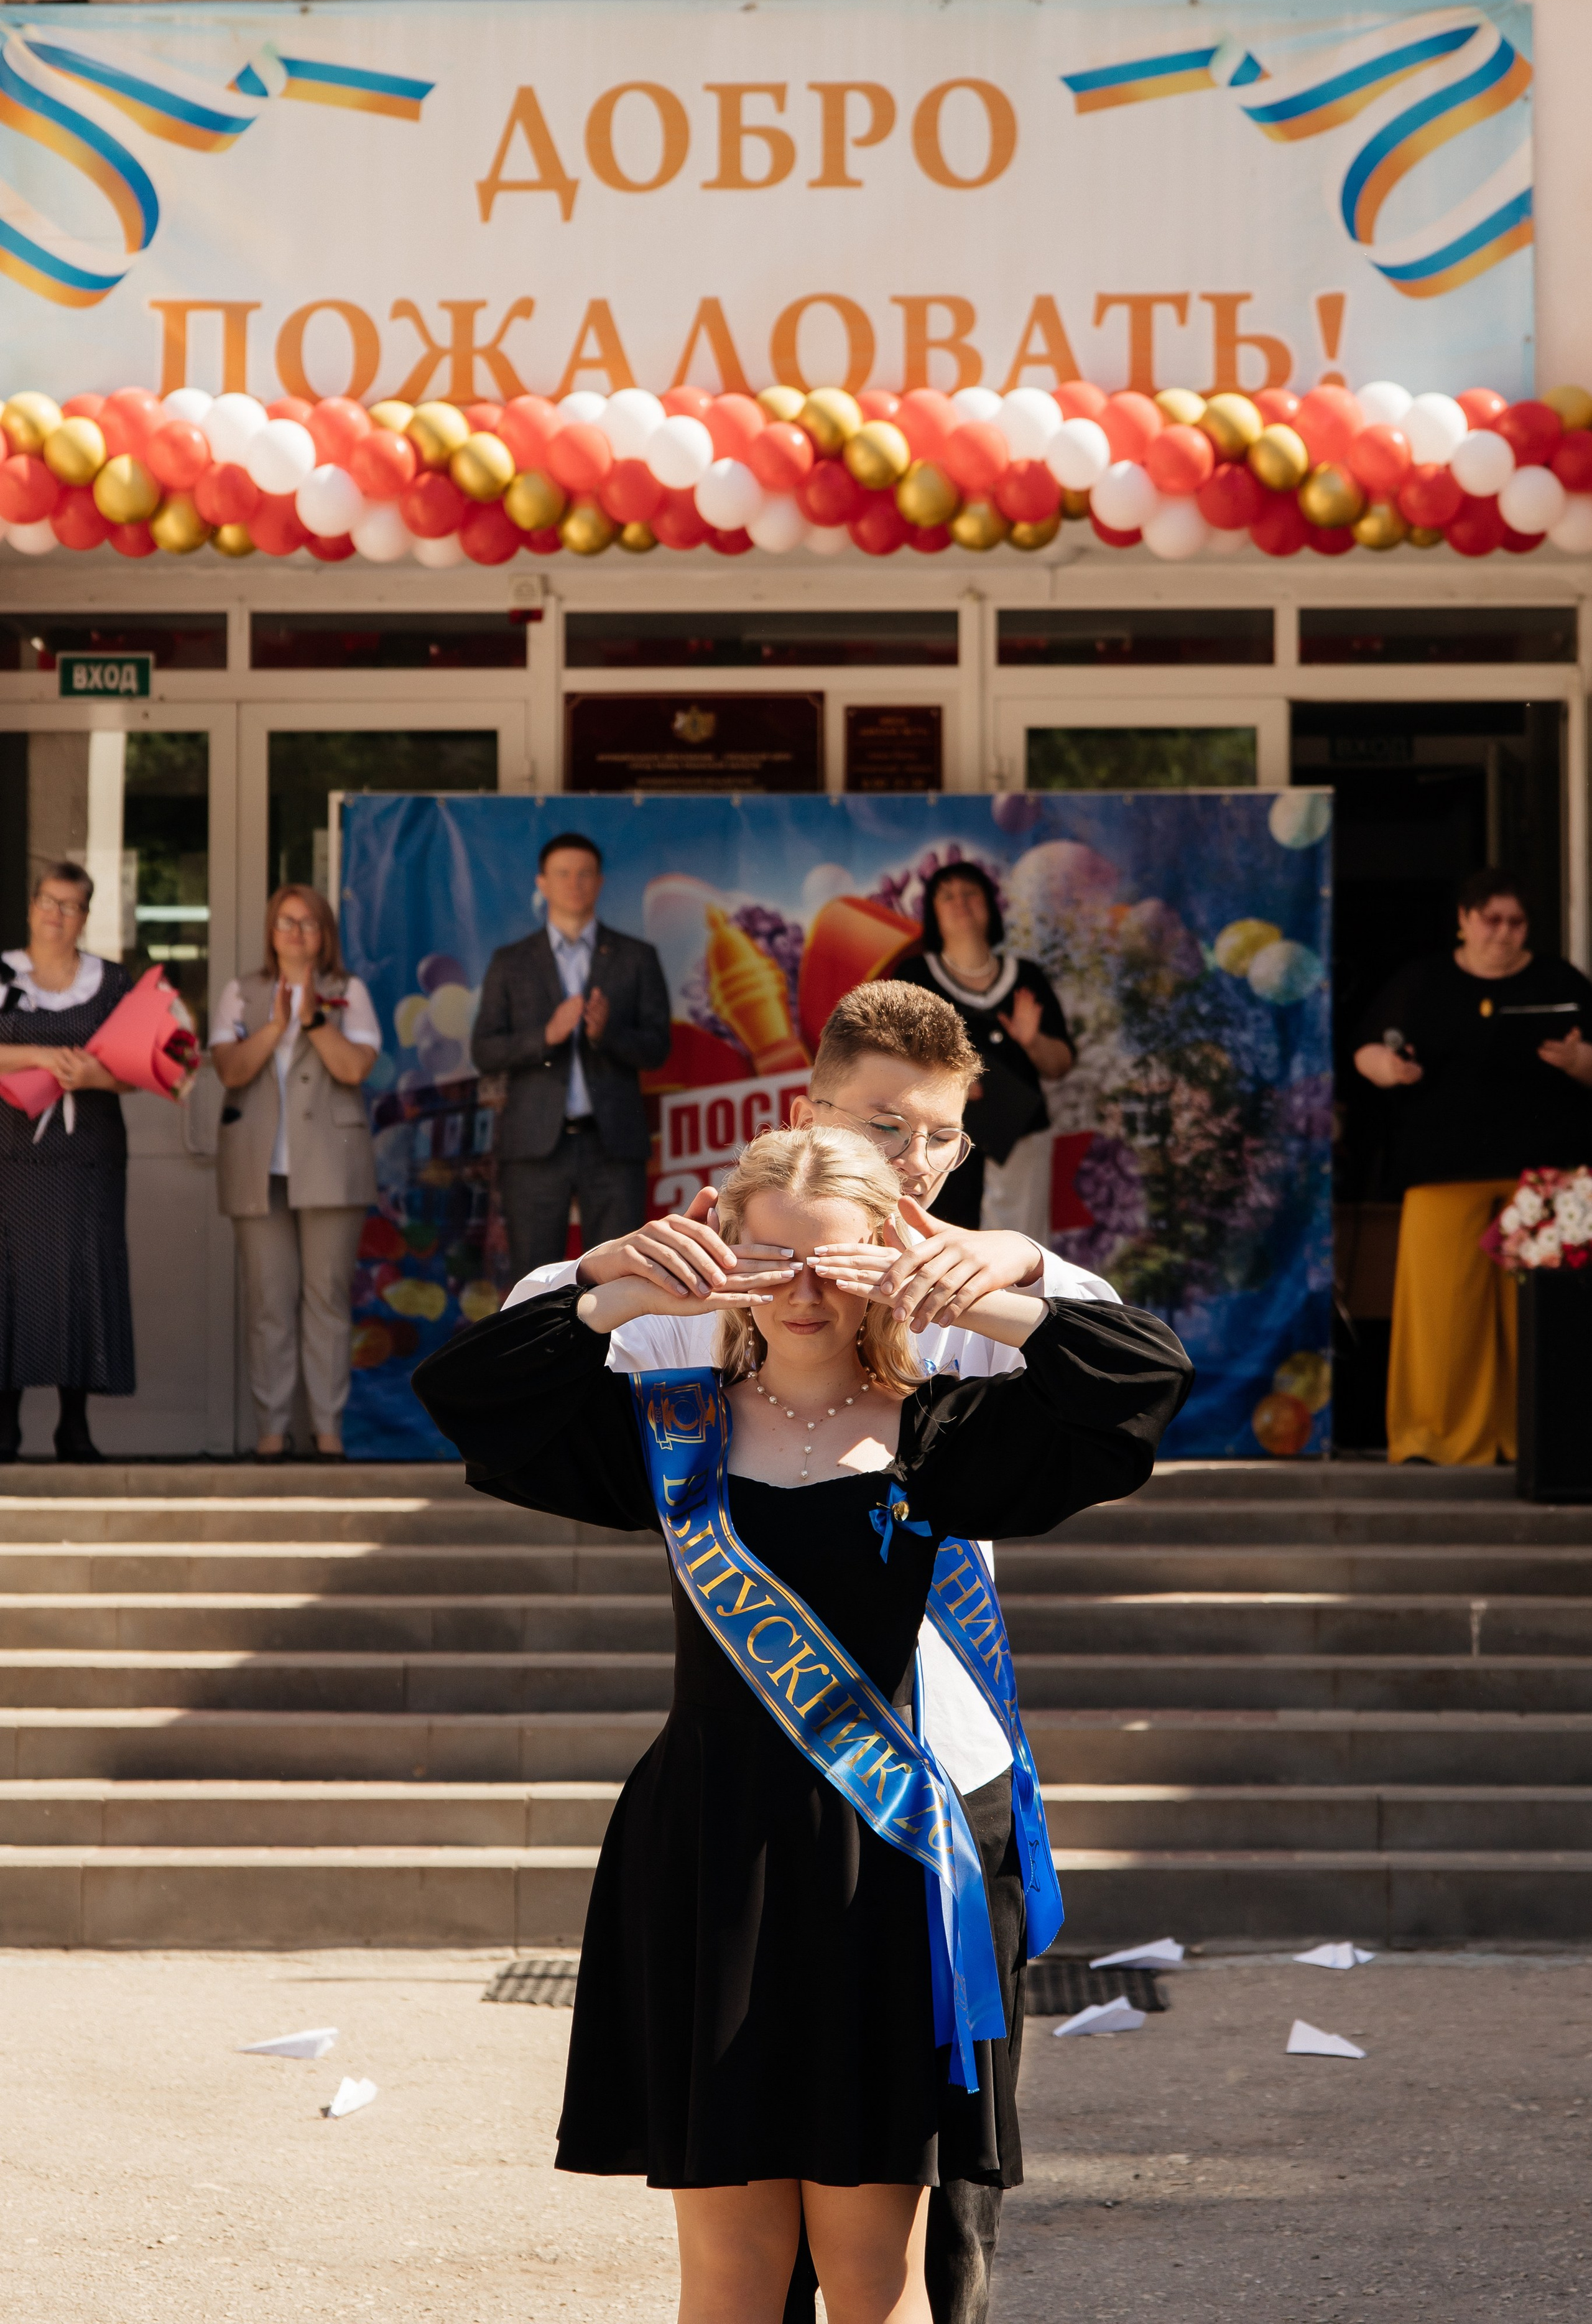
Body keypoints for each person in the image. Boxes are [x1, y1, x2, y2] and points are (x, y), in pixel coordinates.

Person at [414, 1124, 1190, 2324]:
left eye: (838, 1262)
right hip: (707, 1864)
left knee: (870, 2282)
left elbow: (1138, 1385)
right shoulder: (668, 1427)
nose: (806, 1290)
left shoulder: (946, 1436)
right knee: (727, 2280)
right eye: (772, 1260)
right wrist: (605, 1277)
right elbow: (469, 1396)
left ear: (888, 1254)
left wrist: (1002, 1280)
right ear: (726, 1246)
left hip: (882, 1879)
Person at [1354, 867, 1592, 1467]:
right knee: (1442, 1312)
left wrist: (1581, 1061)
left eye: (1516, 923)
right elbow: (1367, 1051)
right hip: (1442, 1169)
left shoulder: (1560, 980)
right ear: (1463, 920)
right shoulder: (1422, 981)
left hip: (1542, 1180)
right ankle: (1435, 1439)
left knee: (1535, 1312)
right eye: (1492, 920)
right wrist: (1389, 1068)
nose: (1504, 934)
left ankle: (1535, 1437)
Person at [212, 885, 381, 1461]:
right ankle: (272, 1430)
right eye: (286, 922)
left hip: (330, 1165)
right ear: (270, 929)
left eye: (308, 923)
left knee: (327, 1298)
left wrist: (311, 1022)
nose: (296, 932)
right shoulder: (243, 991)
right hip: (259, 1168)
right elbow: (229, 1069)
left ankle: (328, 1430)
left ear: (325, 932)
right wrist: (272, 1026)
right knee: (268, 1302)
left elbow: (355, 1067)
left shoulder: (346, 990)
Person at [470, 831, 672, 1280]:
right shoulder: (512, 961)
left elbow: (658, 1048)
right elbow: (484, 1049)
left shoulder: (636, 957)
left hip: (613, 1142)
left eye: (584, 874)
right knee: (535, 1277)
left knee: (622, 1275)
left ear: (599, 883)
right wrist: (547, 1035)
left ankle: (614, 1355)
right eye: (563, 874)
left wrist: (606, 1033)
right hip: (535, 1145)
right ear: (542, 884)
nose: (574, 883)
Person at [0, 862, 136, 1463]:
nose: (56, 915)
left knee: (82, 1282)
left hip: (88, 1158)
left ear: (86, 917)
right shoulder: (3, 974)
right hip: (11, 1159)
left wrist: (97, 1074)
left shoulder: (113, 984)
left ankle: (73, 1427)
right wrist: (42, 1054)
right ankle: (5, 1426)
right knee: (11, 1284)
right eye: (48, 902)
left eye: (71, 906)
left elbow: (163, 1064)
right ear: (31, 907)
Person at [892, 863, 1073, 1238]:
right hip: (937, 1139)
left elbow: (1061, 1065)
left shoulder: (1026, 977)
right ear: (933, 913)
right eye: (947, 896)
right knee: (944, 1246)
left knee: (1019, 1248)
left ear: (990, 906)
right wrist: (950, 1083)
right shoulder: (913, 977)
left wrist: (1032, 1040)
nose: (960, 902)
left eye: (970, 893)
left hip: (1022, 1137)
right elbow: (890, 1055)